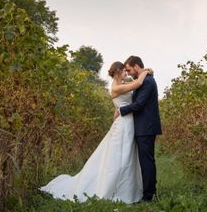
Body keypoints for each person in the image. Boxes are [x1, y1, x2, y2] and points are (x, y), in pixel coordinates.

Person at [39, 61, 153, 203]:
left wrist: (117, 113)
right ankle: (112, 187)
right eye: (125, 71)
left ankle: (128, 187)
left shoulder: (121, 85)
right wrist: (145, 72)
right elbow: (136, 85)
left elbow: (120, 104)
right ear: (118, 72)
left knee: (127, 155)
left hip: (127, 122)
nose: (127, 74)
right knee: (118, 155)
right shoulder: (116, 87)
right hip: (125, 123)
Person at [117, 55, 162, 202]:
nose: (128, 73)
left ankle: (149, 195)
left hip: (146, 127)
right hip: (143, 127)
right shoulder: (143, 80)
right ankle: (148, 190)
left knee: (146, 161)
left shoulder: (147, 81)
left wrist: (121, 111)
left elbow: (139, 104)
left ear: (136, 66)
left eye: (129, 69)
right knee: (145, 160)